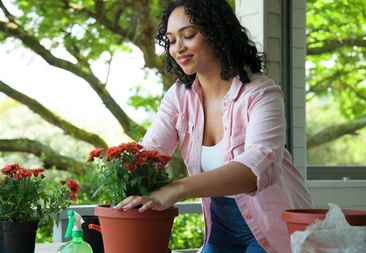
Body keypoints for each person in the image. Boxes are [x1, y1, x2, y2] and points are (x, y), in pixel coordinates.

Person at [114, 0, 313, 252]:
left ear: (217, 33)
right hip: (221, 226)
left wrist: (176, 189)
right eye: (171, 40)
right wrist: (118, 176)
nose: (178, 48)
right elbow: (150, 152)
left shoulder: (261, 93)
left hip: (274, 224)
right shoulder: (179, 97)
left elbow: (256, 167)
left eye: (188, 35)